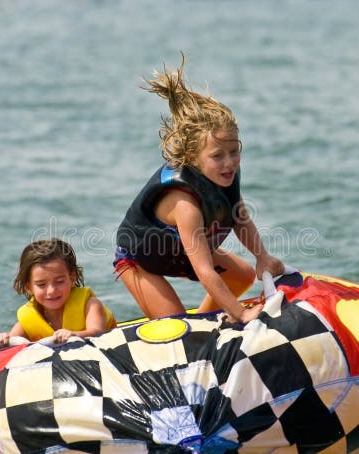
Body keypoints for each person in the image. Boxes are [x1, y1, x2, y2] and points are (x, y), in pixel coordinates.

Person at [114, 54, 285, 324]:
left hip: (178, 251)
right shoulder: (185, 204)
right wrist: (240, 313)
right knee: (175, 325)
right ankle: (196, 324)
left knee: (242, 275)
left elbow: (239, 218)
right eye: (218, 156)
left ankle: (207, 320)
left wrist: (262, 257)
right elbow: (205, 271)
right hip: (140, 260)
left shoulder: (225, 176)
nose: (229, 162)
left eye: (234, 151)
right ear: (194, 157)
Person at [0, 238, 116, 350]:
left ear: (71, 279)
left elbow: (97, 332)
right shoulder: (27, 321)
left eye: (59, 282)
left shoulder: (90, 305)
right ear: (29, 287)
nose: (51, 291)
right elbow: (12, 342)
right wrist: (2, 339)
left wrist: (74, 335)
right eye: (41, 285)